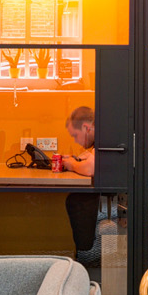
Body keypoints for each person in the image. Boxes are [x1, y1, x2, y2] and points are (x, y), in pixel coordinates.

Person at [49, 104, 102, 258]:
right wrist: (75, 159)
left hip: (129, 191)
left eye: (75, 135)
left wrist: (72, 164)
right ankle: (83, 249)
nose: (76, 141)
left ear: (86, 127)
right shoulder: (100, 137)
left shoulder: (104, 135)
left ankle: (84, 250)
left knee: (78, 199)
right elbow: (90, 156)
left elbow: (90, 168)